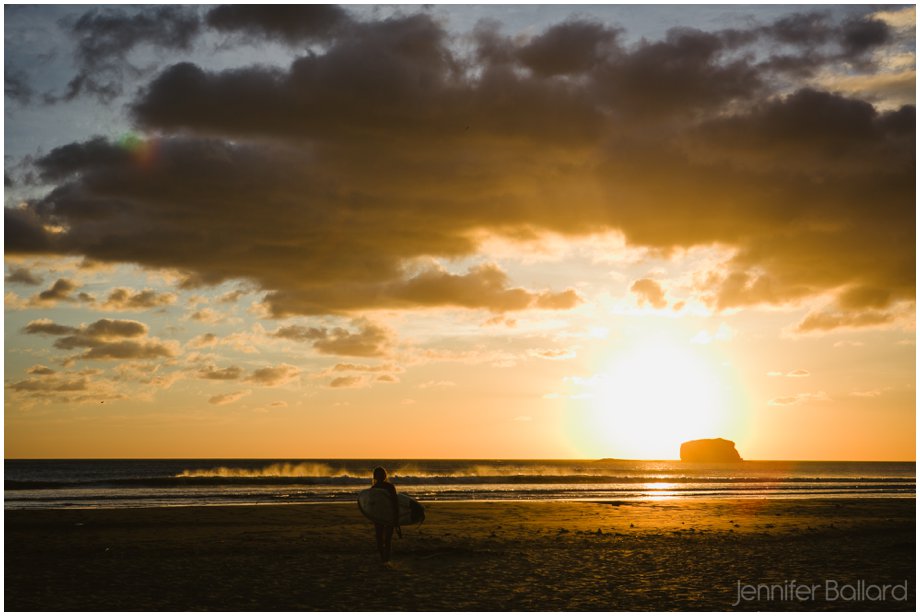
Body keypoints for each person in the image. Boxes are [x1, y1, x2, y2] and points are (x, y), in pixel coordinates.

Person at [371, 466, 401, 563]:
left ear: (384, 476)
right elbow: (372, 504)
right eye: (378, 474)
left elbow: (395, 502)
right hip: (379, 516)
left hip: (389, 515)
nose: (380, 476)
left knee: (387, 539)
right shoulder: (374, 488)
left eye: (381, 474)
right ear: (375, 476)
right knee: (379, 539)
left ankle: (386, 559)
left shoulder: (390, 487)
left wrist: (396, 517)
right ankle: (383, 558)